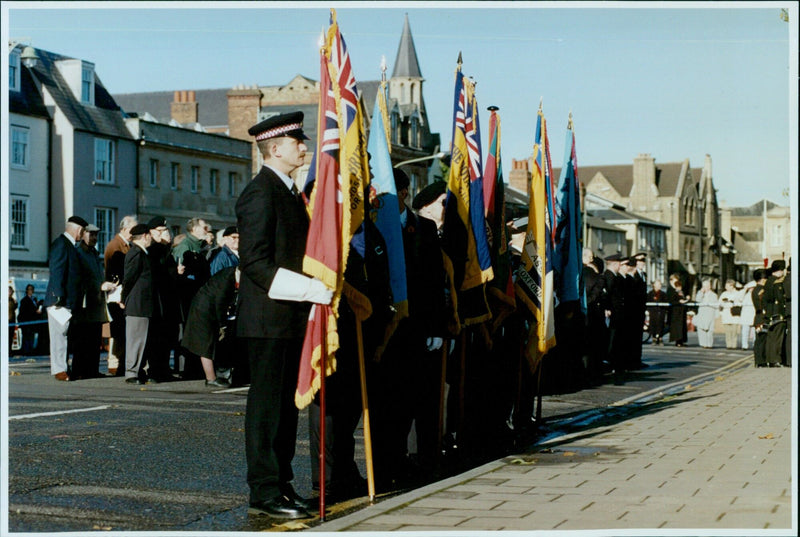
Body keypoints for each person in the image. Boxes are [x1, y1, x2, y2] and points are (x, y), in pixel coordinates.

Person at [236, 111, 331, 519]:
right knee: (267, 409)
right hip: (268, 318)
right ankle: (264, 489)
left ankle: (282, 483)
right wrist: (310, 289)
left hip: (288, 317)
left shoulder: (290, 193)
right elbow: (255, 262)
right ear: (275, 149)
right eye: (297, 142)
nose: (304, 146)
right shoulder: (260, 194)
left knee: (285, 408)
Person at [44, 216, 87, 381]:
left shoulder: (67, 245)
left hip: (67, 299)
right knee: (59, 336)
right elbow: (57, 270)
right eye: (82, 232)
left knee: (64, 336)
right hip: (60, 300)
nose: (82, 236)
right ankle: (59, 369)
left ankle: (63, 367)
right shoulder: (62, 244)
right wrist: (58, 297)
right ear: (78, 230)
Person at [181, 266, 239, 388]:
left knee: (208, 343)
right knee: (205, 344)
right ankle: (211, 378)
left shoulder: (229, 273)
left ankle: (214, 375)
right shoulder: (228, 278)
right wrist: (222, 324)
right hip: (204, 310)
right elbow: (220, 302)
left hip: (206, 307)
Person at [72, 224, 116, 379]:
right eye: (91, 235)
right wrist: (100, 285)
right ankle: (80, 370)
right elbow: (80, 277)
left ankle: (92, 369)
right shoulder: (79, 253)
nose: (94, 238)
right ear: (83, 234)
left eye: (96, 235)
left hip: (96, 301)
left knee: (94, 338)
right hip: (85, 302)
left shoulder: (93, 253)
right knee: (83, 339)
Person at [172, 217, 213, 379]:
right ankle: (186, 368)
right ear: (194, 229)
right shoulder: (185, 246)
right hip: (188, 296)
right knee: (188, 332)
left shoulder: (200, 246)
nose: (206, 230)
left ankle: (195, 367)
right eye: (204, 227)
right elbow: (180, 271)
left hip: (198, 295)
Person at [122, 222, 158, 385]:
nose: (151, 238)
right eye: (150, 235)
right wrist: (124, 299)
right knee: (135, 339)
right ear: (145, 236)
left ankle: (137, 370)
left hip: (142, 304)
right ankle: (131, 372)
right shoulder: (136, 253)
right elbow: (129, 278)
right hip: (137, 303)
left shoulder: (142, 253)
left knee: (141, 339)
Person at [146, 216, 181, 382]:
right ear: (153, 232)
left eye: (166, 231)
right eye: (161, 231)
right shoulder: (154, 250)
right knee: (157, 337)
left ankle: (164, 369)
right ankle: (156, 370)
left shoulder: (164, 249)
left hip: (168, 299)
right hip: (159, 299)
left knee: (167, 337)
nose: (166, 234)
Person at [104, 215, 138, 376]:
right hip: (116, 292)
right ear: (124, 229)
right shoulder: (115, 246)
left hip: (121, 291)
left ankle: (119, 361)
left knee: (122, 329)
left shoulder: (126, 245)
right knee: (118, 330)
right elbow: (115, 269)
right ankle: (115, 362)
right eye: (132, 229)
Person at [583, 248, 609, 380]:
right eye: (590, 256)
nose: (592, 259)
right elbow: (594, 296)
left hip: (581, 314)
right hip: (592, 314)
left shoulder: (577, 274)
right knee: (592, 346)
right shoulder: (596, 277)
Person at [603, 253, 626, 380]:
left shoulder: (614, 276)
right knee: (612, 338)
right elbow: (608, 294)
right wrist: (607, 308)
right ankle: (610, 361)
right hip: (613, 313)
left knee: (616, 338)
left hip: (617, 313)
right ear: (615, 264)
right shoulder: (608, 276)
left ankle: (615, 362)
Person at [763, 260, 789, 367]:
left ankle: (771, 359)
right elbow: (779, 298)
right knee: (777, 338)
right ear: (779, 270)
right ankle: (775, 359)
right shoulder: (776, 282)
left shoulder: (769, 281)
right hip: (777, 312)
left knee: (771, 337)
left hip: (770, 312)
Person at [751, 268, 770, 367]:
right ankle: (760, 361)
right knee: (761, 340)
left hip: (760, 317)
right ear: (762, 279)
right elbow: (761, 304)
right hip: (761, 318)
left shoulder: (757, 289)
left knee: (762, 340)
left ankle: (760, 360)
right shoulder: (760, 290)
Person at [18, 284, 43, 355]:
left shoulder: (34, 299)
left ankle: (30, 350)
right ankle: (26, 351)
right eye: (29, 289)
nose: (31, 291)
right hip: (27, 322)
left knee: (31, 337)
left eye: (32, 289)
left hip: (33, 322)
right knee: (26, 338)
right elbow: (24, 312)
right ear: (27, 290)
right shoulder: (24, 300)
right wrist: (35, 311)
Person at [693, 279, 718, 349]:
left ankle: (709, 344)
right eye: (704, 286)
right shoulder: (700, 293)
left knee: (710, 331)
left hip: (710, 314)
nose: (705, 288)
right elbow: (698, 300)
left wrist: (716, 314)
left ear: (710, 287)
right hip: (702, 314)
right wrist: (701, 292)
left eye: (707, 286)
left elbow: (716, 305)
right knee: (701, 329)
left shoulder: (714, 295)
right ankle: (703, 344)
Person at [718, 279, 742, 350]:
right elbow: (720, 303)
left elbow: (740, 302)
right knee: (727, 331)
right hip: (726, 314)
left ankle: (734, 345)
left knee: (734, 331)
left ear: (732, 286)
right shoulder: (724, 294)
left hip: (734, 314)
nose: (726, 287)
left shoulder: (737, 293)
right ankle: (728, 345)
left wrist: (733, 302)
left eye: (727, 286)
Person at [667, 273, 689, 347]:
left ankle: (681, 340)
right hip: (675, 311)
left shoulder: (679, 288)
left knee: (682, 326)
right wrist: (679, 302)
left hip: (681, 310)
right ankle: (678, 341)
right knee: (677, 327)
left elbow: (683, 295)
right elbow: (671, 300)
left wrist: (686, 298)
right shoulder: (670, 289)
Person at [646, 279, 668, 345]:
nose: (659, 286)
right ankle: (654, 338)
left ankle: (660, 337)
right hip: (653, 312)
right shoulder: (650, 293)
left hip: (661, 312)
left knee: (661, 324)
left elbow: (666, 302)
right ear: (654, 285)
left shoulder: (663, 294)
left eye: (660, 284)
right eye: (658, 284)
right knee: (653, 324)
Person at [739, 276, 758, 350]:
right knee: (745, 332)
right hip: (746, 316)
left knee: (755, 332)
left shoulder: (756, 294)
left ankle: (755, 344)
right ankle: (744, 345)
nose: (752, 289)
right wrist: (744, 289)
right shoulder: (745, 295)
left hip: (754, 315)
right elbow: (739, 298)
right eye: (750, 288)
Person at [9, 286, 18, 354]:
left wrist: (16, 303)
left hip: (12, 321)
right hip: (7, 321)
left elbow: (14, 308)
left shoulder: (13, 300)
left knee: (10, 337)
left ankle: (9, 350)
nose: (10, 293)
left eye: (11, 291)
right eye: (9, 291)